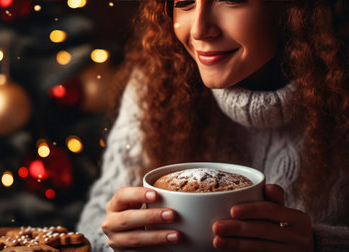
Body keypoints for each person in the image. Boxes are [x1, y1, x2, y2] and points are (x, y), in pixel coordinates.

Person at [77, 0, 348, 251]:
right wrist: (114, 241)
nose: (199, 30)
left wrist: (320, 244)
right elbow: (92, 226)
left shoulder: (340, 94)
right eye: (184, 3)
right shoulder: (156, 84)